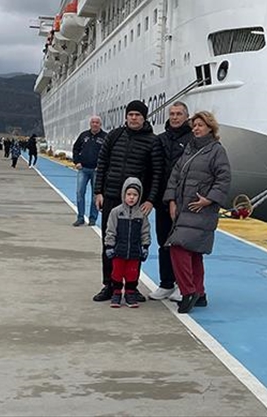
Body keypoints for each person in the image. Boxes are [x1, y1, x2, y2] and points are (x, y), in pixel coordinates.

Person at [93, 99, 163, 303]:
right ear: (126, 116)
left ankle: (132, 287)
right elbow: (102, 163)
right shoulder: (114, 136)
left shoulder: (152, 141)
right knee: (109, 241)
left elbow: (157, 173)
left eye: (137, 115)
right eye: (130, 114)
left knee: (135, 243)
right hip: (112, 196)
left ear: (144, 118)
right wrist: (98, 192)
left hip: (136, 201)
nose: (133, 118)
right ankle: (109, 284)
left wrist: (150, 200)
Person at [164, 110, 231, 314]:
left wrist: (209, 199)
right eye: (194, 126)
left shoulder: (216, 151)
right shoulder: (190, 148)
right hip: (185, 208)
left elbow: (224, 178)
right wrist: (171, 200)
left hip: (201, 209)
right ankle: (200, 293)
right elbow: (175, 175)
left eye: (200, 125)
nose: (196, 129)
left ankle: (188, 292)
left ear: (210, 128)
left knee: (178, 248)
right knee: (193, 253)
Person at [150, 101, 193, 301]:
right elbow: (154, 169)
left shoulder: (193, 140)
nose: (175, 117)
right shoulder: (161, 139)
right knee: (163, 242)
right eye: (172, 114)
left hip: (184, 202)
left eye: (179, 114)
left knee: (183, 244)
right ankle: (166, 283)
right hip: (163, 201)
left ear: (186, 116)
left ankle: (182, 285)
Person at [103, 177, 151, 308]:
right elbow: (110, 230)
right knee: (117, 273)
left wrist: (145, 246)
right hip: (119, 251)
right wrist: (109, 246)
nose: (131, 197)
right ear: (123, 194)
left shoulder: (141, 214)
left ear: (139, 197)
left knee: (132, 273)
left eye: (135, 195)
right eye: (129, 194)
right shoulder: (116, 212)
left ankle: (130, 293)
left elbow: (145, 231)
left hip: (135, 252)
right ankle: (116, 293)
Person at [71, 115, 107, 227]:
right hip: (83, 169)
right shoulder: (84, 135)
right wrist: (76, 161)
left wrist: (102, 166)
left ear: (100, 124)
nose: (95, 124)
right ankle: (80, 217)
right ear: (90, 124)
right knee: (79, 193)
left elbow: (109, 153)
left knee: (95, 195)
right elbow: (76, 148)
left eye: (97, 122)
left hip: (97, 170)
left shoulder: (105, 137)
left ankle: (93, 218)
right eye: (93, 122)